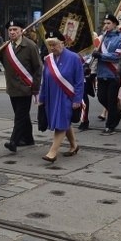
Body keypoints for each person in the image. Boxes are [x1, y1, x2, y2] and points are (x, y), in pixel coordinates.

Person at [0, 20, 42, 154]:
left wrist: (36, 88)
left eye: (15, 29)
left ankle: (14, 141)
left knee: (19, 116)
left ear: (22, 31)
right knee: (22, 115)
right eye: (10, 30)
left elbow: (38, 68)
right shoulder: (6, 46)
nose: (12, 32)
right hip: (12, 88)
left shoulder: (30, 46)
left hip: (26, 88)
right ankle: (28, 139)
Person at [39, 31, 83, 162]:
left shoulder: (74, 58)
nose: (52, 48)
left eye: (55, 44)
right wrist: (42, 98)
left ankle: (52, 152)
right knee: (64, 121)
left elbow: (79, 81)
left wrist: (77, 99)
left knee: (61, 123)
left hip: (67, 97)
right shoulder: (48, 60)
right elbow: (44, 80)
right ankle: (74, 145)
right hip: (52, 96)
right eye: (50, 45)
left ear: (62, 43)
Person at [92, 14, 121, 135]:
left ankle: (110, 126)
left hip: (114, 73)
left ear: (115, 24)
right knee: (101, 97)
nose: (106, 25)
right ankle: (117, 112)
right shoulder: (102, 38)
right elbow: (94, 51)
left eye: (108, 23)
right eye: (105, 23)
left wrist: (101, 55)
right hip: (101, 73)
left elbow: (117, 56)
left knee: (111, 100)